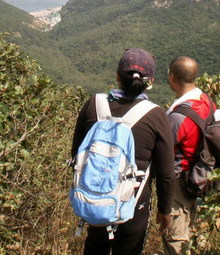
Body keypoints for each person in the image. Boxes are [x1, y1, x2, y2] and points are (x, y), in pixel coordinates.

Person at [71, 48, 175, 254]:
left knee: (95, 245)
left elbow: (77, 153)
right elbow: (166, 173)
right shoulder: (156, 115)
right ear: (151, 81)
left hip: (94, 200)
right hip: (133, 203)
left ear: (118, 76)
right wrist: (165, 210)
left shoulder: (94, 104)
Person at [163, 56, 215, 254]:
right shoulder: (207, 102)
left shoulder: (178, 117)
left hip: (180, 180)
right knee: (192, 233)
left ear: (172, 77)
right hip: (201, 176)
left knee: (175, 237)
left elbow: (162, 151)